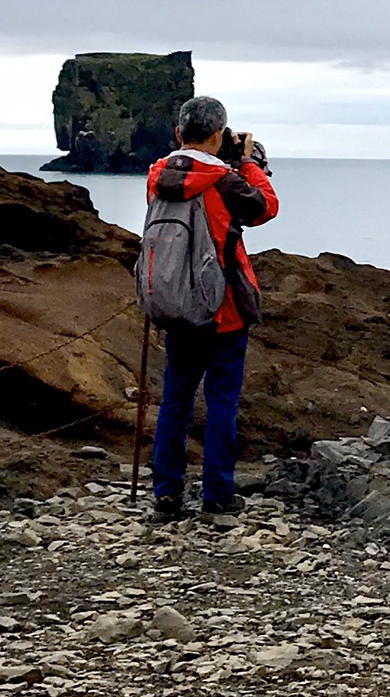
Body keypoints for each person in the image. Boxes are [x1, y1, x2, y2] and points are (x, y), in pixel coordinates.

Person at [147, 94, 279, 520]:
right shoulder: (226, 180)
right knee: (221, 401)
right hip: (223, 308)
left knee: (175, 399)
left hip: (177, 302)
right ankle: (216, 497)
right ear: (219, 134)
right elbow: (265, 207)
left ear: (178, 133)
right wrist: (250, 163)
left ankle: (167, 493)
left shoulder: (157, 176)